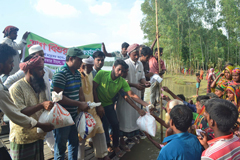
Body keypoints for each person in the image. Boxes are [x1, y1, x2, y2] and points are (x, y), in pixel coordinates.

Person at [0, 43, 54, 160]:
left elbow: (46, 106)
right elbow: (19, 114)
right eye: (40, 69)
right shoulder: (16, 88)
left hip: (38, 135)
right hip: (22, 138)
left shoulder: (41, 85)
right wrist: (41, 106)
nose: (44, 73)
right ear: (30, 70)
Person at [93, 59, 147, 157]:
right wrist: (98, 104)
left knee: (115, 124)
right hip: (98, 105)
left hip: (109, 104)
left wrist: (139, 108)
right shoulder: (102, 73)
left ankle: (116, 145)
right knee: (103, 126)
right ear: (113, 67)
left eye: (123, 71)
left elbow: (129, 95)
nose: (120, 73)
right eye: (119, 70)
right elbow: (94, 88)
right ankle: (107, 145)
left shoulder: (122, 81)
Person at [51, 47, 89, 160]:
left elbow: (79, 91)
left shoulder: (77, 74)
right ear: (71, 59)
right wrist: (78, 104)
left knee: (74, 142)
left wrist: (83, 104)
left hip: (73, 115)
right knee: (61, 147)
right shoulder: (61, 73)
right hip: (62, 117)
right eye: (79, 60)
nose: (81, 62)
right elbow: (57, 98)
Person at [116, 44, 150, 147]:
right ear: (130, 54)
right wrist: (134, 85)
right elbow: (123, 81)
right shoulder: (125, 64)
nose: (136, 57)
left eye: (137, 55)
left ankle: (132, 136)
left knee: (135, 117)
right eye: (134, 55)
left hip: (137, 94)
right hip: (126, 94)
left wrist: (145, 83)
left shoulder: (139, 64)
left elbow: (142, 77)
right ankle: (121, 140)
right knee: (123, 118)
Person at [77, 56, 109, 160]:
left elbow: (93, 90)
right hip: (80, 111)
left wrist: (98, 105)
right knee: (80, 137)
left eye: (91, 67)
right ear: (83, 66)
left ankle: (102, 154)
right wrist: (81, 105)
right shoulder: (77, 75)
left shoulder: (90, 74)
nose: (91, 69)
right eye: (89, 67)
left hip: (92, 109)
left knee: (99, 129)